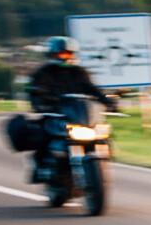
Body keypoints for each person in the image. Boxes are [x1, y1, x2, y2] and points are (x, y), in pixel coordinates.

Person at [26, 37, 115, 182]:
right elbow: (36, 92)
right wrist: (41, 104)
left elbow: (91, 88)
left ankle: (103, 164)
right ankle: (42, 167)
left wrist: (107, 101)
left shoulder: (79, 72)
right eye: (60, 54)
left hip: (77, 114)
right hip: (56, 113)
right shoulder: (43, 73)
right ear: (52, 55)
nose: (64, 57)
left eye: (68, 54)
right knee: (43, 133)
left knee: (102, 133)